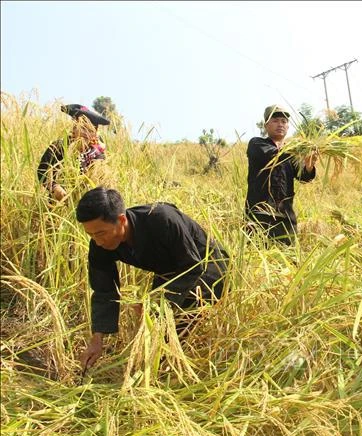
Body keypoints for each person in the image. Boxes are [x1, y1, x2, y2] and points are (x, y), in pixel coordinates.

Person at [76, 187, 228, 370]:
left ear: (122, 220)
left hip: (207, 266)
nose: (97, 241)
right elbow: (104, 289)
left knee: (173, 328)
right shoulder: (99, 243)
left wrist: (154, 304)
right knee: (153, 328)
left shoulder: (162, 219)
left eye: (100, 233)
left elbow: (193, 266)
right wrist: (97, 338)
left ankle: (177, 372)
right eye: (90, 235)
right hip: (169, 270)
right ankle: (156, 367)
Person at [244, 104, 318, 245]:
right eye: (275, 120)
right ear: (266, 125)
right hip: (259, 216)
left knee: (288, 262)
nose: (280, 124)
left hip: (286, 219)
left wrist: (309, 166)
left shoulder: (291, 153)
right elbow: (274, 155)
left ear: (288, 126)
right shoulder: (257, 144)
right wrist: (299, 148)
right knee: (256, 261)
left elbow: (304, 177)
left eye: (284, 122)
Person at [37, 104, 110, 202]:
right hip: (57, 203)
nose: (83, 132)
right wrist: (54, 187)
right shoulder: (59, 146)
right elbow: (42, 169)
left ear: (95, 132)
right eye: (80, 127)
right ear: (73, 129)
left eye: (88, 129)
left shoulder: (98, 154)